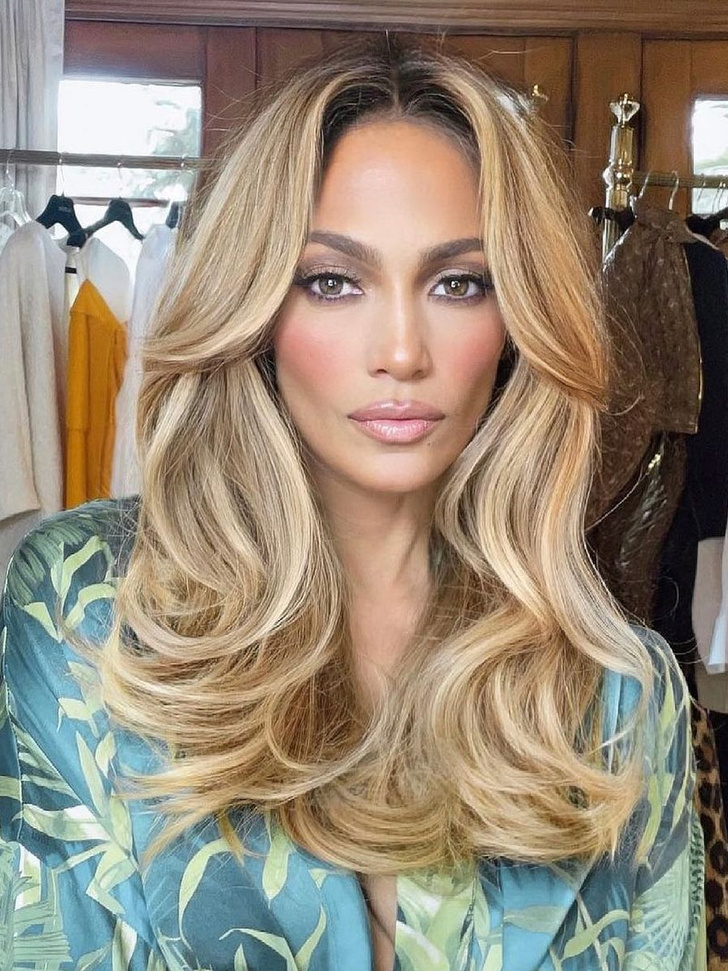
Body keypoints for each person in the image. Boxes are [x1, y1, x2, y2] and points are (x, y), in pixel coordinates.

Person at [0, 37, 705, 971]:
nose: (402, 351)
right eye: (333, 281)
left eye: (459, 283)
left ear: (516, 322)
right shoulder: (84, 611)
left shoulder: (621, 691)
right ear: (257, 308)